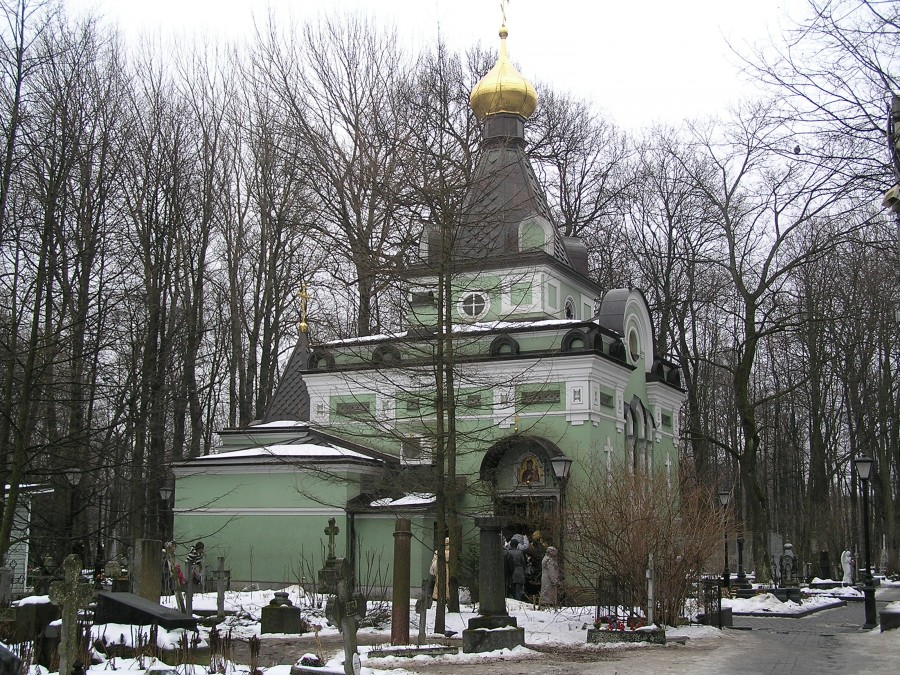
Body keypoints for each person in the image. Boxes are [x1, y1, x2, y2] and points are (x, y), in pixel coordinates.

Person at [430, 537, 450, 602]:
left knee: (440, 582)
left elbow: (434, 563)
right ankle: (447, 596)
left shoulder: (438, 551)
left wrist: (434, 571)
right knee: (446, 582)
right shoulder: (451, 552)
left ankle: (437, 596)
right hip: (448, 569)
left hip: (440, 569)